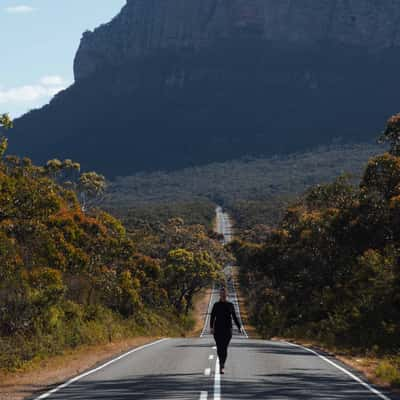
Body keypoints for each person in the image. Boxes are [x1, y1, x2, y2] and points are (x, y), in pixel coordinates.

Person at [210, 287, 242, 374]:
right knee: (219, 347)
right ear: (219, 295)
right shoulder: (216, 305)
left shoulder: (230, 305)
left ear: (226, 295)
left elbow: (234, 317)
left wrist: (239, 327)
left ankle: (222, 365)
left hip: (228, 329)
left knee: (224, 347)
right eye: (221, 293)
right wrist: (211, 328)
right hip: (218, 329)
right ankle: (221, 363)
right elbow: (212, 316)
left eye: (224, 294)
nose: (223, 295)